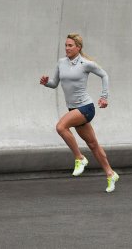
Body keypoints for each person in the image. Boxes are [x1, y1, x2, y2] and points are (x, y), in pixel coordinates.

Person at [40, 33, 119, 192]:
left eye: (70, 46)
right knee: (93, 144)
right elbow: (55, 83)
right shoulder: (61, 63)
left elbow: (104, 75)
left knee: (61, 127)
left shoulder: (85, 64)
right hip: (73, 109)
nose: (67, 48)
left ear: (78, 47)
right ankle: (110, 174)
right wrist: (46, 83)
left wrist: (104, 97)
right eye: (66, 45)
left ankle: (79, 158)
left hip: (86, 108)